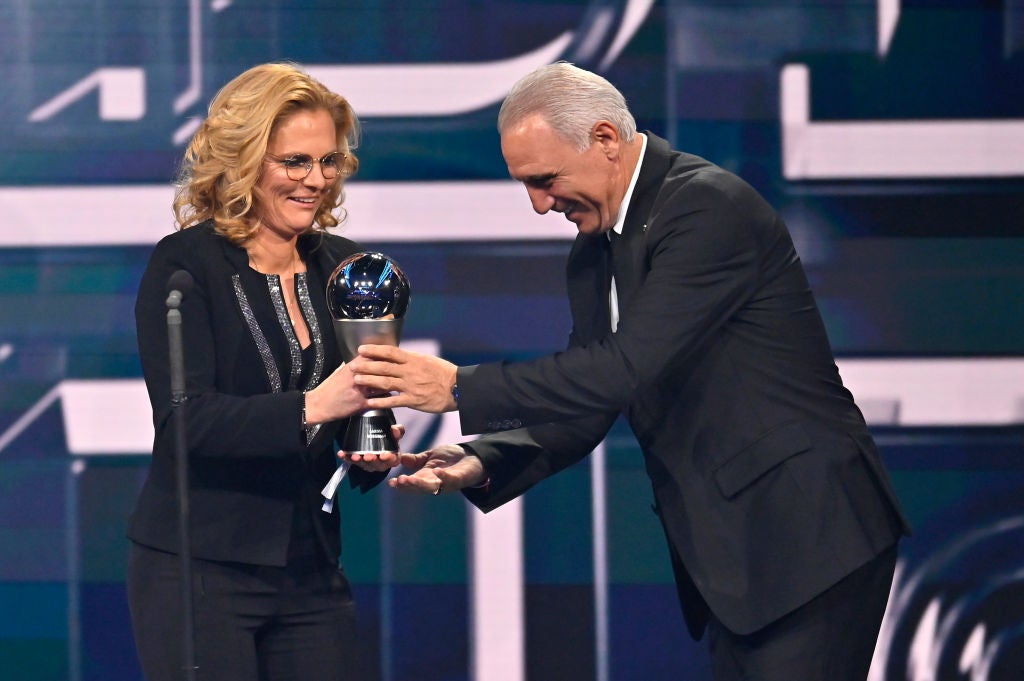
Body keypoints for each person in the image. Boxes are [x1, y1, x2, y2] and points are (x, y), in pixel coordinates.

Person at [348, 62, 911, 680]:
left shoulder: (705, 209)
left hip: (809, 535)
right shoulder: (595, 252)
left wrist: (457, 387)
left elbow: (623, 368)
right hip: (739, 554)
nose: (539, 206)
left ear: (606, 140)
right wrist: (483, 458)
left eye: (545, 179)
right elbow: (588, 400)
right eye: (525, 186)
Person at [128, 62, 391, 681]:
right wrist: (315, 407)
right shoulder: (185, 267)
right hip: (200, 571)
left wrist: (369, 448)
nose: (316, 180)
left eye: (328, 162)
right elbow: (186, 422)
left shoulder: (348, 269)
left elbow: (358, 407)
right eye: (294, 162)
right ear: (244, 162)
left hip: (313, 569)